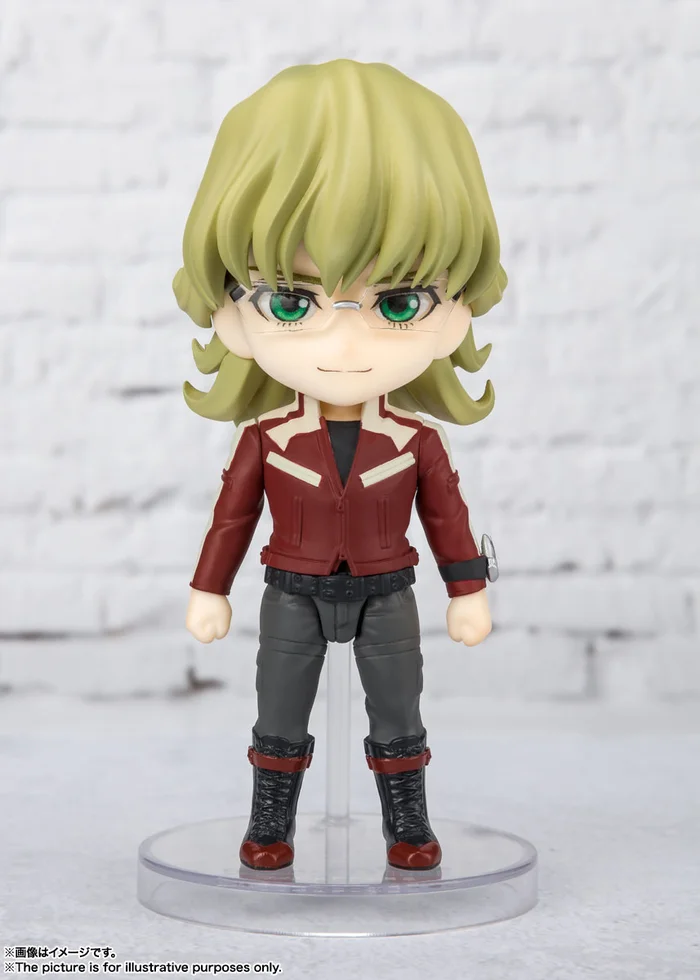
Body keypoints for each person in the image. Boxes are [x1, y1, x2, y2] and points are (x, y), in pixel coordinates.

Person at [174, 59, 506, 872]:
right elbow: (231, 518)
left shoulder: (416, 440)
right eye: (291, 301)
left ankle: (408, 823)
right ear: (231, 315)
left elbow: (448, 518)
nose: (346, 341)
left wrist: (467, 589)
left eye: (399, 303)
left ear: (455, 313)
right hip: (293, 587)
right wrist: (209, 587)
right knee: (279, 713)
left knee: (399, 713)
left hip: (388, 589)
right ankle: (270, 822)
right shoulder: (267, 438)